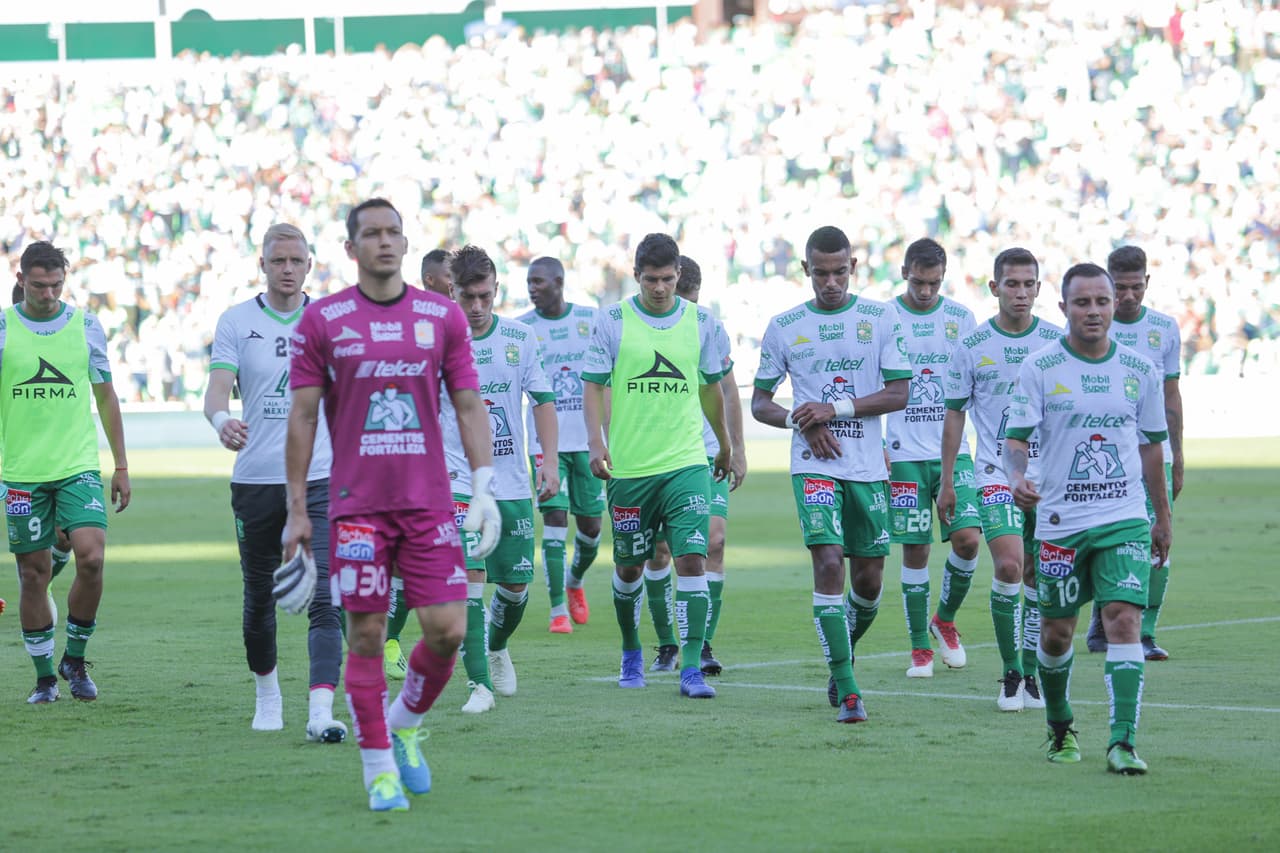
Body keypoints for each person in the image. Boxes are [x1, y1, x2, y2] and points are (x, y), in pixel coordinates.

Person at [283, 199, 499, 811]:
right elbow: (302, 416)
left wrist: (482, 488)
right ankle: (378, 767)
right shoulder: (324, 321)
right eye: (370, 234)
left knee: (448, 631)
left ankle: (404, 720)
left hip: (430, 503)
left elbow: (467, 404)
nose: (383, 242)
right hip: (356, 508)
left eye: (393, 233)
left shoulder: (442, 317)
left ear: (406, 245)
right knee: (369, 635)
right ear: (351, 250)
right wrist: (298, 509)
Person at [1004, 262, 1171, 775]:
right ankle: (1059, 726)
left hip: (1123, 517)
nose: (1094, 310)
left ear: (1113, 306)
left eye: (1102, 301)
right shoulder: (1039, 368)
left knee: (1124, 620)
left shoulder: (1140, 369)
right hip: (1059, 522)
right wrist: (1015, 478)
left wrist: (1161, 516)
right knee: (1056, 634)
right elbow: (1016, 440)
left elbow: (1150, 447)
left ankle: (1123, 741)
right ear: (1064, 308)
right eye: (1083, 302)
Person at [751, 225, 910, 723]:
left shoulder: (880, 318)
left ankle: (842, 651)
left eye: (840, 271)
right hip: (814, 465)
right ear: (806, 270)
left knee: (868, 582)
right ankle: (848, 690)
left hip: (867, 466)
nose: (831, 282)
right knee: (828, 566)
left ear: (853, 267)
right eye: (821, 273)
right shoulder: (784, 325)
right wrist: (801, 420)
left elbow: (899, 393)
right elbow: (759, 402)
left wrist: (832, 409)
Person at [204, 223, 345, 740]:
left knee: (326, 595)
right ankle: (268, 697)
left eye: (296, 260)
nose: (287, 269)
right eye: (278, 260)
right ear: (261, 264)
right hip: (258, 479)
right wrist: (223, 422)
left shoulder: (330, 321)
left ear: (310, 264)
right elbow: (216, 391)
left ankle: (321, 711)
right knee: (259, 596)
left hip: (321, 480)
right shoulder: (237, 322)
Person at [584, 233, 731, 699]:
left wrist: (725, 444)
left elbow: (713, 388)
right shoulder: (612, 322)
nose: (661, 288)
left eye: (668, 279)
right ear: (637, 276)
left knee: (692, 556)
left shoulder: (702, 323)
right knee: (630, 567)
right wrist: (595, 443)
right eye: (652, 280)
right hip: (630, 467)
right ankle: (631, 649)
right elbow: (592, 386)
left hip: (687, 461)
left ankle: (690, 668)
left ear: (679, 276)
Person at [938, 247, 1062, 712]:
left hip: (1049, 480)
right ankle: (1011, 673)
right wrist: (949, 480)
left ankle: (1031, 672)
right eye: (1012, 283)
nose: (1021, 292)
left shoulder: (1056, 342)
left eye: (1029, 284)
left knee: (1038, 577)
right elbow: (954, 416)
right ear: (994, 288)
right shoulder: (972, 347)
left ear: (1039, 287)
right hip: (994, 474)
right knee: (1009, 566)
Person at [7, 241, 130, 704]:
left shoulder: (85, 325)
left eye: (57, 284)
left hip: (77, 463)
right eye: (39, 285)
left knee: (92, 557)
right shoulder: (3, 328)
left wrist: (120, 464)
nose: (49, 293)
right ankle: (43, 679)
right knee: (33, 574)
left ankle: (74, 660)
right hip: (22, 470)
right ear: (21, 280)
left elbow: (105, 397)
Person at [452, 245, 560, 701]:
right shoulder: (435, 339)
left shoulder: (519, 339)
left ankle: (496, 646)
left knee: (515, 588)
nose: (476, 307)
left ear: (496, 290)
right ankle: (478, 684)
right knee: (470, 582)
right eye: (467, 297)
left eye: (484, 296)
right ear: (451, 292)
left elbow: (543, 401)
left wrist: (550, 461)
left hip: (512, 482)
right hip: (456, 481)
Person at [642, 255, 746, 675]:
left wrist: (735, 446)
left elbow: (728, 388)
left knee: (713, 542)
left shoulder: (707, 325)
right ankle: (667, 643)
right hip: (656, 451)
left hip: (704, 451)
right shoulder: (644, 325)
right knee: (659, 550)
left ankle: (700, 645)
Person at [885, 238, 981, 678]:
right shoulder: (886, 317)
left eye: (934, 283)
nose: (925, 291)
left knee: (968, 540)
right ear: (904, 270)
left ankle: (944, 618)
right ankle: (919, 649)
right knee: (916, 551)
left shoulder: (961, 319)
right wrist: (879, 445)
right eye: (918, 282)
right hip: (903, 454)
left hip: (954, 452)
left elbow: (973, 384)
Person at [1084, 246, 1184, 661]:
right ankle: (1100, 620)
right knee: (1105, 539)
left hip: (1151, 455)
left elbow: (1171, 396)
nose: (1127, 296)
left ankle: (1144, 632)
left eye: (1135, 287)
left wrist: (1178, 456)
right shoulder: (1087, 327)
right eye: (1119, 287)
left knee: (1156, 539)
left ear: (1147, 282)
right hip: (1103, 457)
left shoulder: (1164, 328)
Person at [518, 257, 604, 633]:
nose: (532, 288)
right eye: (528, 282)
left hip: (587, 441)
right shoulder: (521, 329)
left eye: (538, 281)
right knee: (554, 519)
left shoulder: (591, 320)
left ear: (559, 281)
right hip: (545, 443)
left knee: (591, 529)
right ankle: (557, 611)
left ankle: (574, 581)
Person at [382, 249, 455, 681]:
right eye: (450, 277)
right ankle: (387, 641)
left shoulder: (467, 323)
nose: (457, 284)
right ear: (431, 278)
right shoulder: (411, 321)